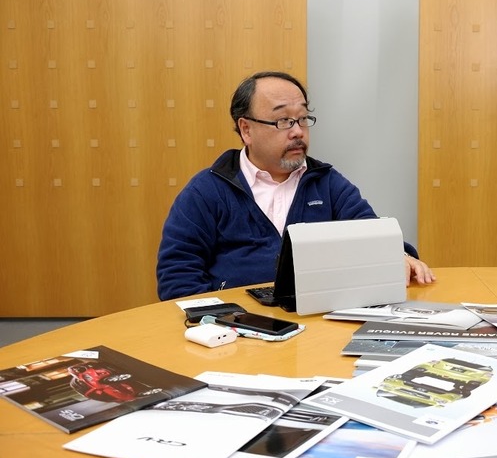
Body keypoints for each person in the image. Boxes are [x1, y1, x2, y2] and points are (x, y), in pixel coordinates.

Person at [156, 71, 435, 300]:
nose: (298, 131)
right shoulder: (206, 191)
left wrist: (400, 255)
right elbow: (178, 278)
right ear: (246, 129)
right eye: (283, 121)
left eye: (302, 118)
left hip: (317, 325)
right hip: (235, 333)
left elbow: (373, 235)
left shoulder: (326, 184)